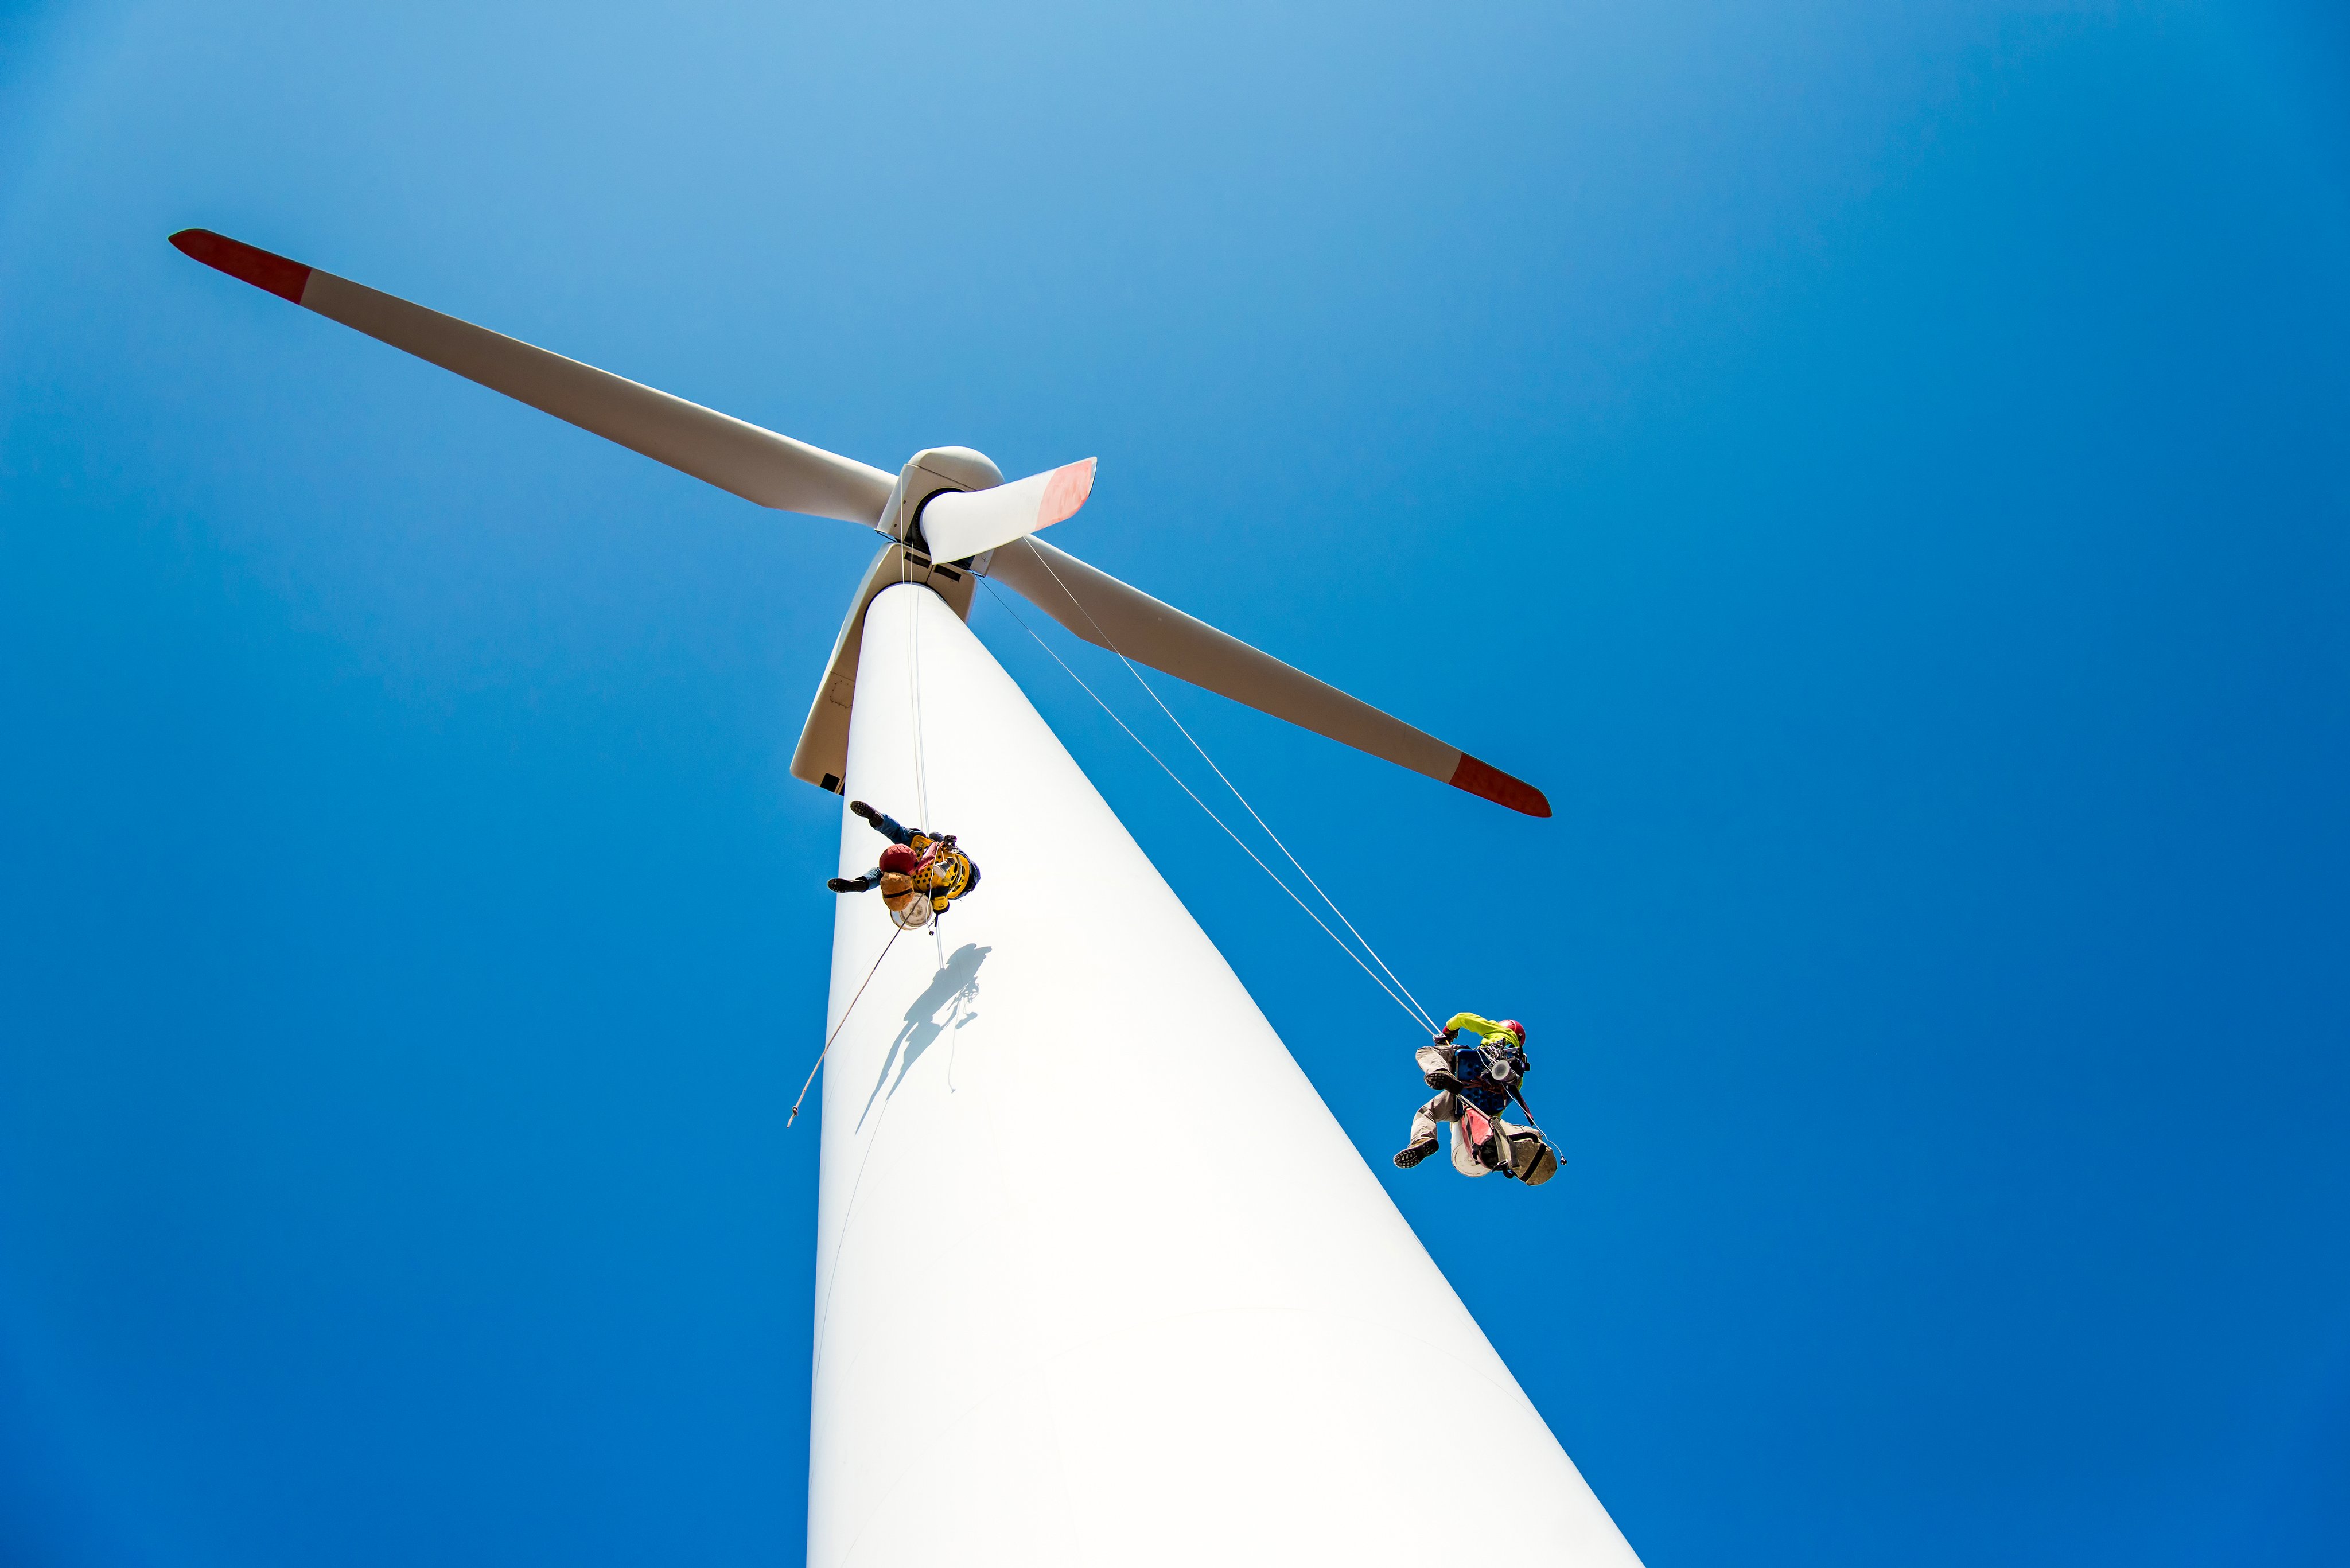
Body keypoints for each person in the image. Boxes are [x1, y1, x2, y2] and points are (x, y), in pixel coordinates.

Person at [1393, 1013, 1558, 1185]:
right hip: (1486, 1099)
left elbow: (1465, 1018)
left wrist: (1449, 1030)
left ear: (1508, 1026)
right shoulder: (1518, 1075)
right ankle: (1426, 1140)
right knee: (1439, 1111)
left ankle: (1438, 1077)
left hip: (1475, 1069)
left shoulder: (1500, 1030)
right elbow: (1500, 1107)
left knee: (1427, 1059)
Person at [827, 800, 981, 928]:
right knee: (883, 873)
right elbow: (937, 907)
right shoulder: (951, 882)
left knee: (900, 833)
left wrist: (944, 842)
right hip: (913, 869)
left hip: (918, 855)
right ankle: (863, 883)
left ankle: (878, 819)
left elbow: (940, 906)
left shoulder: (958, 859)